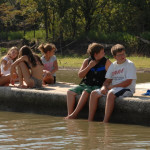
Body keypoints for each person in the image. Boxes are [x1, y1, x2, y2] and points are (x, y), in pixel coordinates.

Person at [88, 44, 137, 123]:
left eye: (123, 54)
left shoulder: (130, 64)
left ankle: (105, 121)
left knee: (111, 93)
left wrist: (112, 86)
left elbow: (128, 82)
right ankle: (90, 120)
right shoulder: (113, 65)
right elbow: (107, 81)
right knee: (94, 93)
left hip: (127, 89)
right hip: (114, 88)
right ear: (114, 56)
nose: (122, 56)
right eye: (119, 55)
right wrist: (103, 87)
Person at [65, 43, 111, 119]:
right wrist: (89, 66)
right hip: (86, 84)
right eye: (102, 52)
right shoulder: (87, 61)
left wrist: (105, 85)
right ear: (96, 54)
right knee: (70, 92)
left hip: (97, 86)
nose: (104, 53)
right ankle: (70, 114)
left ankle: (75, 114)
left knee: (86, 92)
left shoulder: (107, 62)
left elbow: (111, 76)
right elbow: (80, 75)